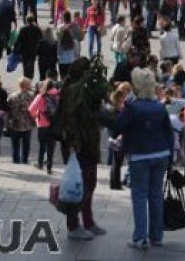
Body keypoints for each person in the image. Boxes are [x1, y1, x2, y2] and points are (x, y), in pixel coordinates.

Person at [110, 67, 175, 250]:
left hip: (140, 155)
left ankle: (140, 237)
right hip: (161, 153)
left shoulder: (133, 107)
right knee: (155, 195)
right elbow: (169, 134)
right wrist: (170, 159)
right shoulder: (159, 107)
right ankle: (157, 236)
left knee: (139, 196)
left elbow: (117, 126)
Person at [59, 58, 106, 241]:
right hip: (78, 145)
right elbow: (69, 119)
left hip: (88, 145)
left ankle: (88, 221)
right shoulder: (73, 91)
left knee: (90, 183)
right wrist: (72, 144)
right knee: (80, 185)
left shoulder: (85, 91)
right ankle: (73, 225)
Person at [29, 79, 59, 174]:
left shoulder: (41, 96)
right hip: (54, 124)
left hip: (42, 124)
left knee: (42, 145)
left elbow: (31, 109)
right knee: (51, 146)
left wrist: (35, 116)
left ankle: (40, 163)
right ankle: (49, 167)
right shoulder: (58, 95)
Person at [6, 77, 35, 165]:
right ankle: (24, 161)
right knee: (26, 145)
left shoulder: (12, 96)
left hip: (14, 124)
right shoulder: (30, 96)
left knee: (15, 145)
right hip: (27, 124)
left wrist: (7, 122)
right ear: (26, 86)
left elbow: (7, 109)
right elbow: (33, 110)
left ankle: (16, 162)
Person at [14, 14, 43, 80]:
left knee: (25, 66)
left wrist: (15, 49)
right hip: (33, 50)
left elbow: (19, 40)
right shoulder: (37, 29)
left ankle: (26, 78)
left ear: (26, 20)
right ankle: (30, 78)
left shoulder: (23, 29)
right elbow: (41, 39)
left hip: (24, 50)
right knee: (32, 65)